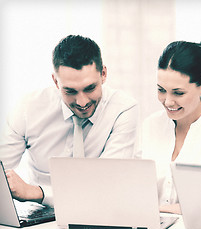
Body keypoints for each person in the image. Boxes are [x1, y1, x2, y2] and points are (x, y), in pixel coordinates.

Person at [0, 35, 138, 206]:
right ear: (55, 82)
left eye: (90, 88)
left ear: (103, 74)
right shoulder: (28, 109)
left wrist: (36, 192)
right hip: (38, 219)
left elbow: (107, 186)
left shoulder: (123, 110)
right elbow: (2, 170)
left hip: (99, 213)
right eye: (70, 91)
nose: (82, 102)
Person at [135, 41, 201, 214]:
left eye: (178, 93)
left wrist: (160, 210)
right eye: (161, 90)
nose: (168, 101)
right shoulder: (150, 125)